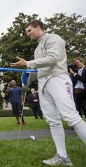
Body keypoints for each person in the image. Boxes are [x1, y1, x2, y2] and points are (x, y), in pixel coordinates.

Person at [10, 20, 86, 166]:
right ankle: (63, 157)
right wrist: (26, 76)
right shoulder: (37, 49)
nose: (27, 33)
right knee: (52, 120)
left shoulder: (54, 38)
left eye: (29, 30)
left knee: (71, 117)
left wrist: (28, 63)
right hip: (43, 84)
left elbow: (53, 59)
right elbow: (37, 70)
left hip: (58, 79)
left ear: (38, 27)